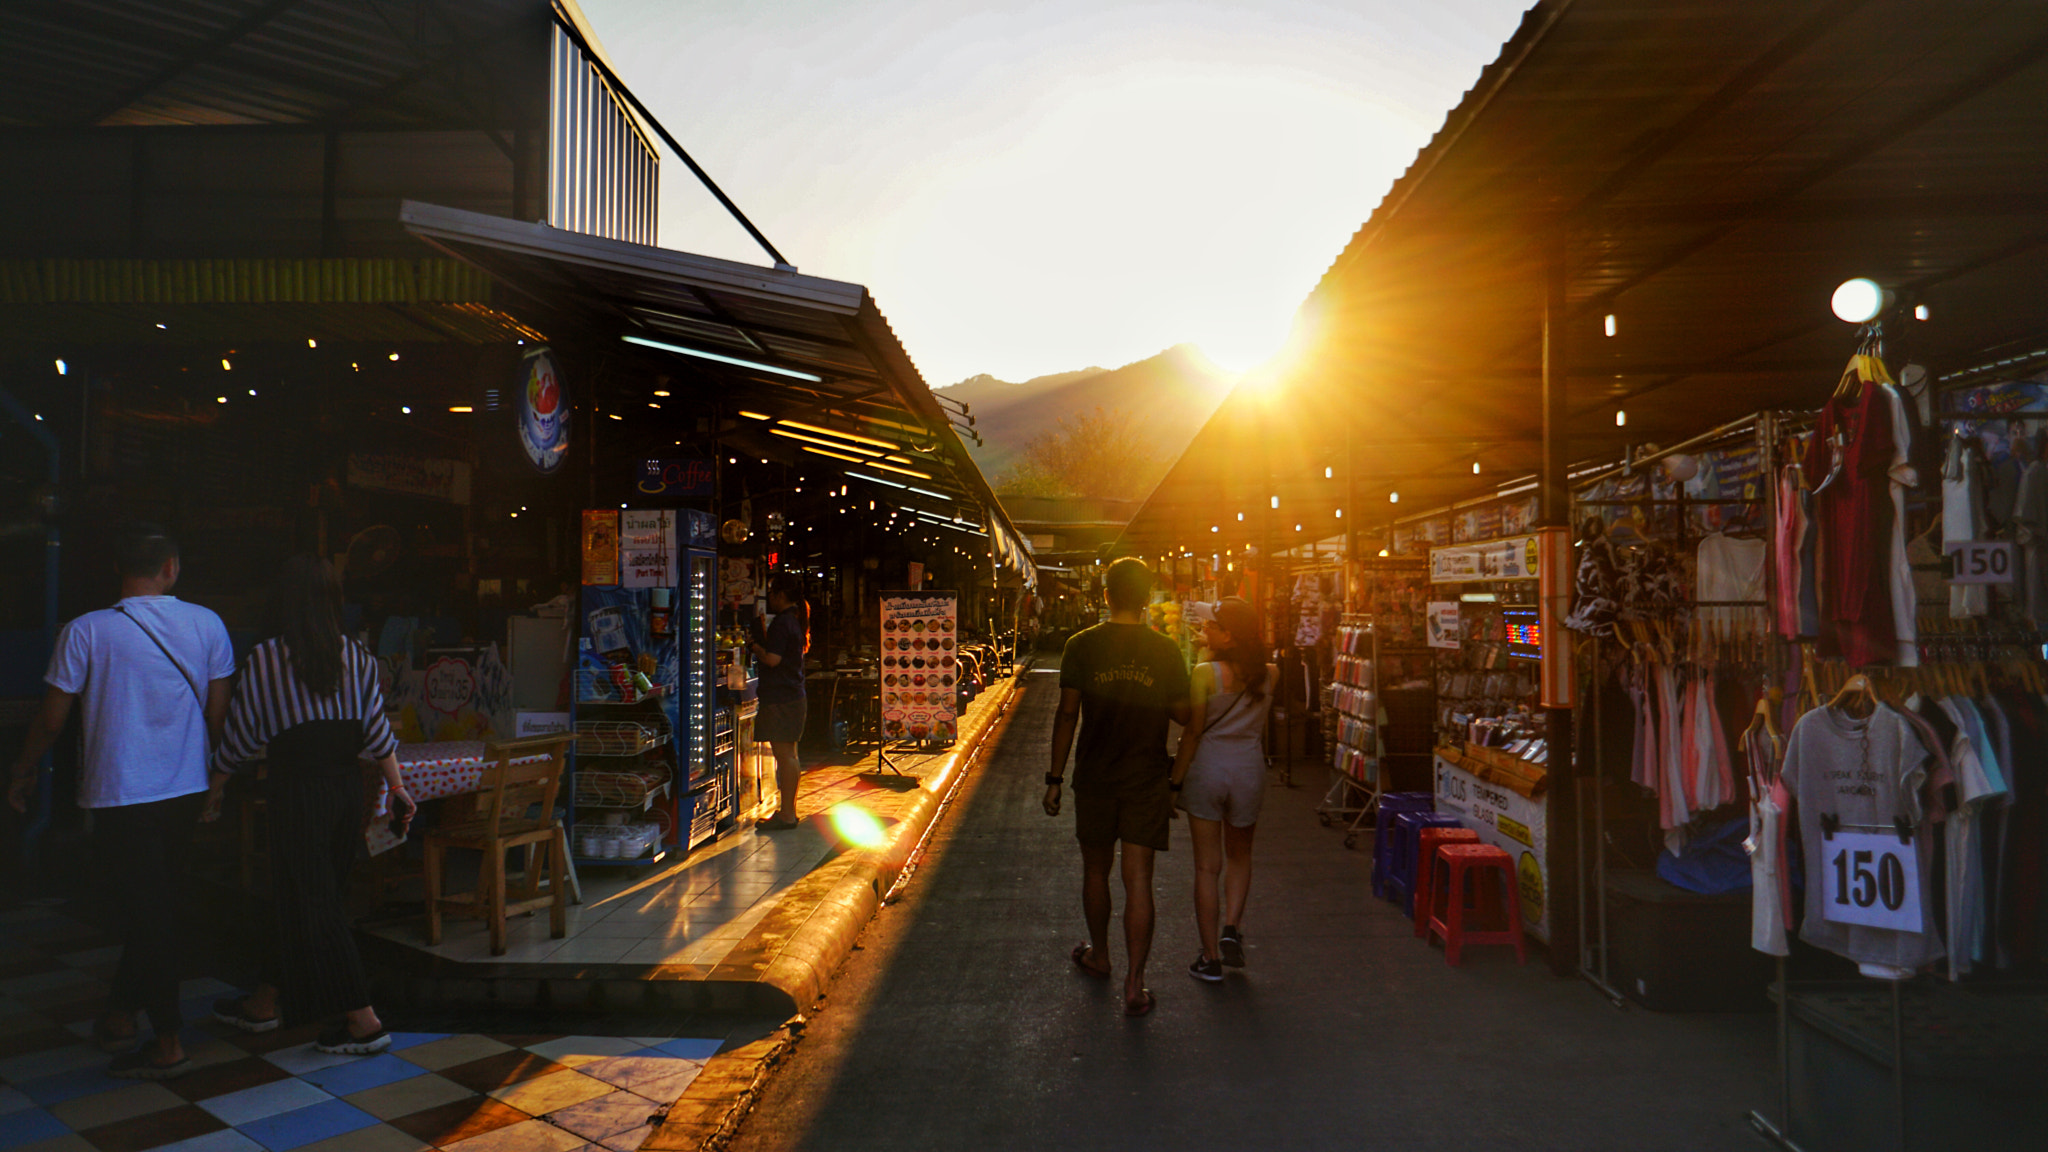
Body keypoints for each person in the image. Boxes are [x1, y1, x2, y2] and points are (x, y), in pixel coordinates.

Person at [7, 523, 234, 1079]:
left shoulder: (85, 632)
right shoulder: (207, 624)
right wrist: (219, 782)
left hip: (118, 795)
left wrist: (21, 768)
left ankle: (169, 1042)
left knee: (148, 910)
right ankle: (119, 1015)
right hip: (183, 790)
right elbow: (218, 715)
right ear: (171, 568)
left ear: (117, 570)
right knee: (155, 907)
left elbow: (53, 719)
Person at [208, 556, 416, 1055]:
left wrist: (215, 787)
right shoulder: (359, 657)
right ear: (334, 603)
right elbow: (377, 733)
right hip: (348, 791)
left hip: (296, 791)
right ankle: (263, 1003)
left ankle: (363, 1022)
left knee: (314, 902)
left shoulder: (264, 659)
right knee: (311, 898)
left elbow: (238, 739)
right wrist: (399, 788)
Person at [1045, 558, 1190, 1016]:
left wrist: (1054, 778)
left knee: (1095, 870)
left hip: (1094, 777)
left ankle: (1101, 957)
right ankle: (1135, 984)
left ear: (1106, 595)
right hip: (1146, 778)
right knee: (1139, 879)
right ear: (1147, 599)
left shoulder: (1081, 645)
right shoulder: (1165, 650)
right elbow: (1186, 715)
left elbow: (1067, 714)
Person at [1169, 597, 1276, 983]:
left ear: (1228, 634)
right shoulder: (1269, 673)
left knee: (1206, 866)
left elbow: (1193, 733)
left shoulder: (1203, 674)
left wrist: (1174, 783)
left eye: (1211, 626)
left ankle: (1210, 956)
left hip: (1208, 770)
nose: (1204, 630)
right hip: (1248, 770)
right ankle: (1231, 927)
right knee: (1240, 856)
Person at [750, 572, 808, 830]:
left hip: (781, 697)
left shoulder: (783, 622)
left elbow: (773, 659)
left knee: (785, 756)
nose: (770, 598)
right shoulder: (795, 620)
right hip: (793, 696)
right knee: (790, 755)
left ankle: (786, 814)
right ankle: (789, 811)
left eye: (772, 593)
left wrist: (755, 646)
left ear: (781, 595)